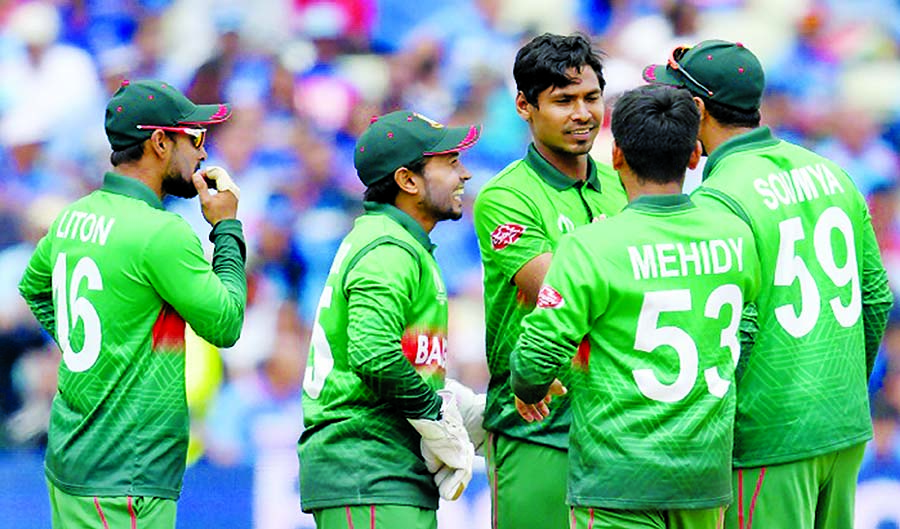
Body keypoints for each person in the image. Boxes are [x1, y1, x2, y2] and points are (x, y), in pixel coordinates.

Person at [643, 39, 894, 529]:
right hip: (843, 427)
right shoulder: (832, 173)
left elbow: (734, 333)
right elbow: (877, 297)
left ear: (696, 109)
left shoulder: (717, 200)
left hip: (770, 437)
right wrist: (837, 392)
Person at [510, 84, 761, 529]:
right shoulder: (735, 234)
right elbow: (746, 326)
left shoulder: (590, 247)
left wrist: (528, 389)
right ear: (693, 156)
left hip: (618, 477)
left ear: (618, 155)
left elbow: (537, 354)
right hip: (703, 472)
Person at [17, 79, 247, 528]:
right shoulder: (161, 233)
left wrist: (90, 347)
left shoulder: (72, 216)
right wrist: (227, 229)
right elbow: (226, 323)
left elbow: (34, 287)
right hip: (127, 474)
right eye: (195, 137)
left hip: (74, 454)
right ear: (160, 142)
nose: (202, 154)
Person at [298, 110, 485, 529]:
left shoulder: (397, 242)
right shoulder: (389, 247)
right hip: (367, 467)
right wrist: (436, 414)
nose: (465, 175)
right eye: (451, 163)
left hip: (386, 471)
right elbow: (373, 355)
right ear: (408, 181)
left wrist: (450, 398)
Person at [471, 32, 627, 529]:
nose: (582, 113)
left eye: (591, 98)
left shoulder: (624, 186)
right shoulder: (506, 196)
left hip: (619, 423)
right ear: (524, 106)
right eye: (563, 101)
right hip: (537, 424)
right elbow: (557, 296)